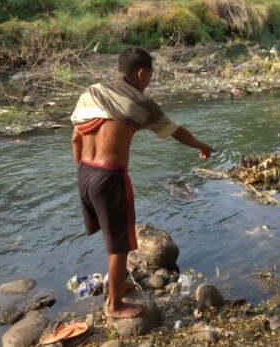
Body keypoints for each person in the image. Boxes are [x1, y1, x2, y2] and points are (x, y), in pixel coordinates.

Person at [70, 47, 215, 318]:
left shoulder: (92, 92)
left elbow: (75, 138)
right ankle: (114, 305)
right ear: (141, 72)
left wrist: (83, 171)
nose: (149, 82)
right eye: (149, 76)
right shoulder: (140, 104)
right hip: (109, 176)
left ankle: (117, 284)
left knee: (111, 234)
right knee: (120, 244)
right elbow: (175, 131)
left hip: (85, 172)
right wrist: (200, 145)